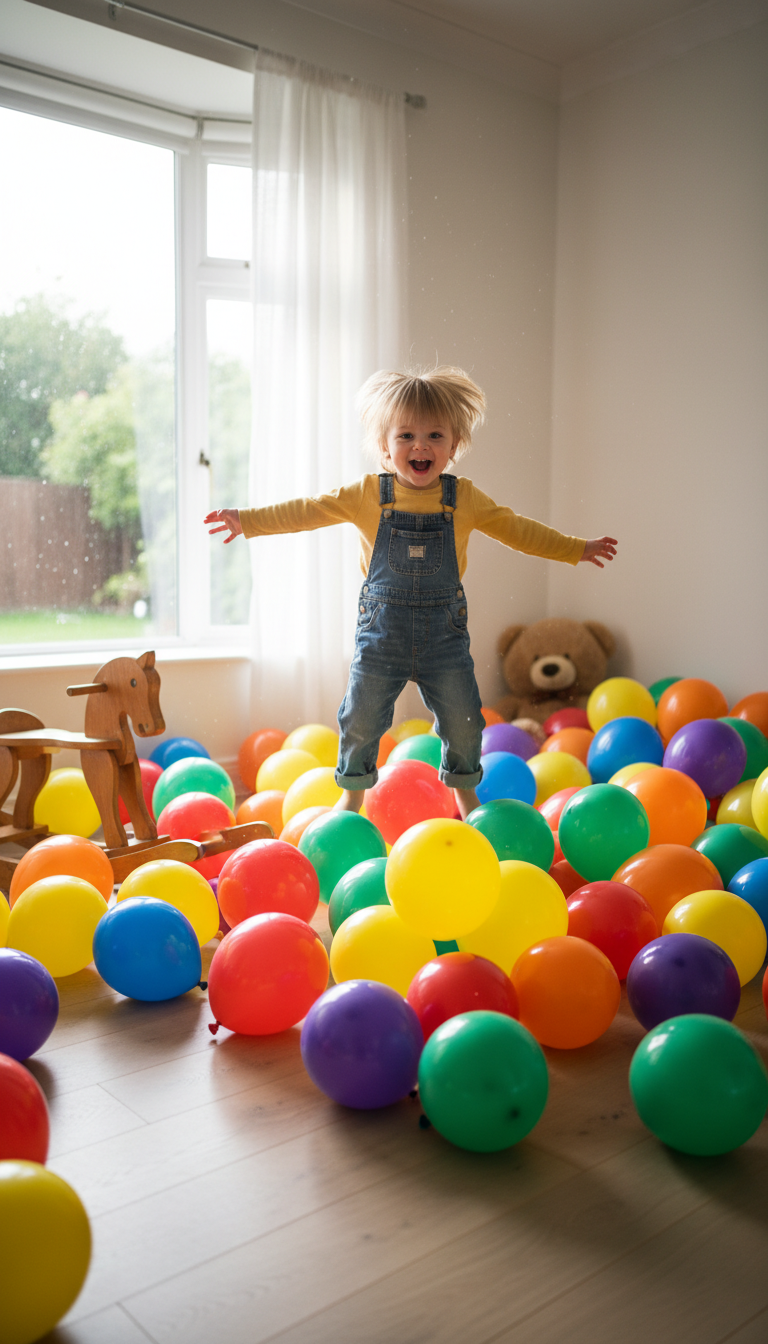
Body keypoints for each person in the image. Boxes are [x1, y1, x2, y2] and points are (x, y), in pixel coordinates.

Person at [205, 366, 617, 820]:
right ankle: (353, 792)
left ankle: (463, 790)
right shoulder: (367, 494)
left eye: (435, 435)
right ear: (385, 447)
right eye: (406, 436)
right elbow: (307, 511)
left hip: (444, 640)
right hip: (382, 637)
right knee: (360, 718)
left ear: (454, 446)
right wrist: (248, 521)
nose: (420, 446)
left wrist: (576, 549)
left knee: (465, 721)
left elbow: (519, 530)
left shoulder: (464, 499)